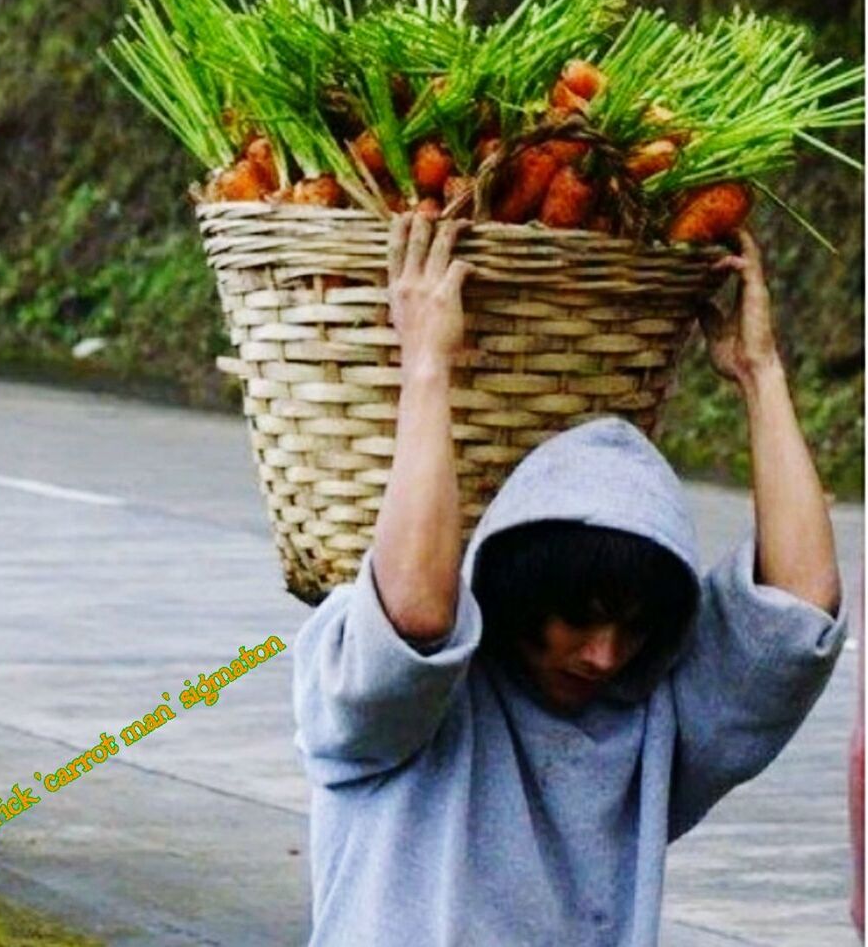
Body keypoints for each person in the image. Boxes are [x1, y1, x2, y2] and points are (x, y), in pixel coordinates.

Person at [292, 212, 847, 946]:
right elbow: (417, 614)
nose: (604, 654)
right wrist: (426, 362)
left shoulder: (651, 722)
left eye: (633, 626)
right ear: (517, 590)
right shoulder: (397, 715)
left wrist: (759, 371)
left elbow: (798, 609)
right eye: (578, 618)